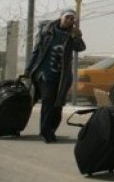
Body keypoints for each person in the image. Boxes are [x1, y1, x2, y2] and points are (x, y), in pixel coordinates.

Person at [25, 9, 86, 143]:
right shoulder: (48, 32)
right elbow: (37, 52)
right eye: (67, 17)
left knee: (58, 104)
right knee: (48, 101)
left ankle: (52, 130)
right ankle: (45, 132)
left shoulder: (71, 35)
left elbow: (80, 48)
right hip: (45, 74)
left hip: (62, 77)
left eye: (72, 18)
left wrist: (77, 36)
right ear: (61, 18)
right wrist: (28, 69)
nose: (69, 20)